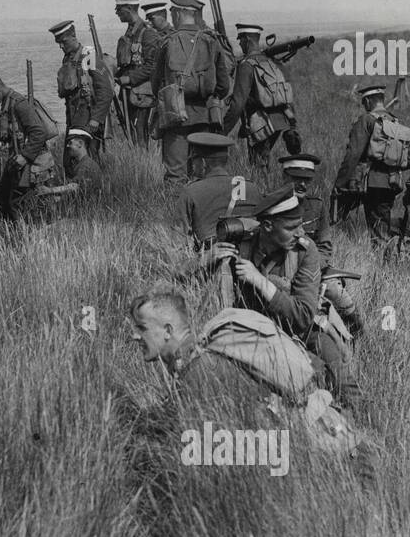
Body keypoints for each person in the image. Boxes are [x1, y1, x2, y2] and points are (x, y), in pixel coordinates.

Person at [126, 285, 371, 472]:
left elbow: (180, 446)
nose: (134, 336)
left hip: (340, 463)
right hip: (338, 447)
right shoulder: (201, 363)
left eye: (142, 327)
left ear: (168, 330)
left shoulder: (201, 371)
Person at [201, 187, 364, 409]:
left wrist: (260, 282)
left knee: (341, 378)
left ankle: (366, 426)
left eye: (300, 225)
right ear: (267, 226)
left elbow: (304, 316)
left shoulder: (305, 250)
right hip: (255, 332)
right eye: (291, 227)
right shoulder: (242, 242)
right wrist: (205, 260)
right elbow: (181, 279)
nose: (300, 233)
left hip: (302, 330)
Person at [153, 0, 233, 187]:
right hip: (205, 115)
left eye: (172, 12)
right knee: (202, 172)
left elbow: (156, 84)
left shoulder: (167, 42)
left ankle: (176, 214)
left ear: (179, 13)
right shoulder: (211, 41)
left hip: (176, 115)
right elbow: (224, 85)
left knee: (175, 174)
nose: (171, 16)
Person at [332, 85, 410, 246]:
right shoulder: (396, 124)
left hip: (366, 182)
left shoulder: (367, 120)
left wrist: (339, 183)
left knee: (339, 213)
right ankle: (386, 258)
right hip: (391, 184)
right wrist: (390, 163)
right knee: (382, 225)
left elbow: (352, 155)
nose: (364, 106)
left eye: (364, 103)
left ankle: (379, 262)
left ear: (368, 101)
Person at [0, 70, 56, 218]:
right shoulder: (8, 104)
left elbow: (39, 132)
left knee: (22, 205)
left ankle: (22, 236)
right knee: (1, 201)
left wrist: (25, 156)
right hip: (18, 163)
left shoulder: (19, 104)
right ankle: (14, 236)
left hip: (30, 164)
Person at [224, 23, 301, 173]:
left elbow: (238, 104)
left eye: (240, 39)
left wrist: (222, 131)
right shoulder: (273, 62)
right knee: (262, 160)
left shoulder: (246, 65)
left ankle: (263, 192)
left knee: (257, 166)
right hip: (281, 120)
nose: (239, 43)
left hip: (260, 122)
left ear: (247, 39)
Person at [179, 132, 262, 250]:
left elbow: (179, 240)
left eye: (193, 160)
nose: (192, 165)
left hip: (213, 258)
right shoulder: (252, 187)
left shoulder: (191, 192)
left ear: (203, 163)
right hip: (251, 257)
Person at [50, 19, 113, 156]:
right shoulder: (68, 60)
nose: (61, 46)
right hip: (74, 118)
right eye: (58, 43)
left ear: (73, 36)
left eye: (64, 41)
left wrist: (96, 119)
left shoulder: (89, 56)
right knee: (71, 162)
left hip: (88, 118)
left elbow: (106, 91)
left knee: (88, 159)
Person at [113, 0, 163, 147]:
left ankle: (143, 165)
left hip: (142, 94)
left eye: (119, 9)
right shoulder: (131, 32)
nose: (116, 12)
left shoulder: (147, 33)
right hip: (130, 93)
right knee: (133, 134)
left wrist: (129, 78)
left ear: (129, 8)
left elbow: (153, 66)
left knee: (140, 133)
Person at [277, 154, 332, 260]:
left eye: (307, 179)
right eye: (297, 178)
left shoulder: (317, 207)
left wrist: (310, 268)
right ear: (284, 176)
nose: (302, 184)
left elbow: (324, 249)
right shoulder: (269, 206)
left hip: (309, 267)